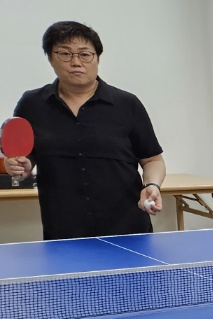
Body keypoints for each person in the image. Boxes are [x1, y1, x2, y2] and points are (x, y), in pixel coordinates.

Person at [4, 21, 166, 240]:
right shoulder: (31, 104)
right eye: (65, 54)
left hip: (127, 228)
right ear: (51, 59)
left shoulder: (128, 104)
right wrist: (19, 166)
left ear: (97, 58)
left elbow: (153, 159)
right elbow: (26, 157)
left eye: (85, 54)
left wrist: (153, 185)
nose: (76, 62)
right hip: (63, 229)